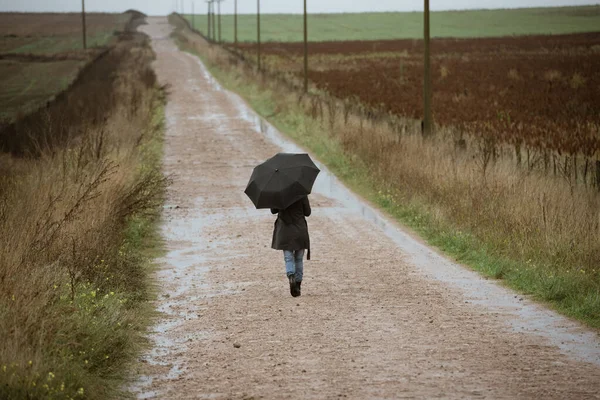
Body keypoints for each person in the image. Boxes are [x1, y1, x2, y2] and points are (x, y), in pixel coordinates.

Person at [271, 196, 311, 297]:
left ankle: (291, 276)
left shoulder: (278, 194)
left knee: (288, 258)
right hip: (299, 229)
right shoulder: (301, 193)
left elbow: (273, 210)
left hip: (285, 231)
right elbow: (307, 212)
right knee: (299, 259)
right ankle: (297, 284)